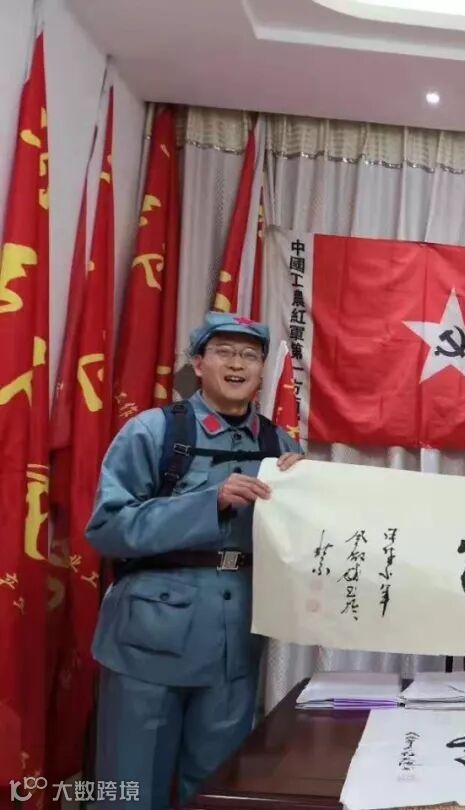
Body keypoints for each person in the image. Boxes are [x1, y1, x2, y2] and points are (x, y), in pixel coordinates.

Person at [87, 313, 304, 809]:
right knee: (130, 790)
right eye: (224, 352)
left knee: (217, 791)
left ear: (262, 370)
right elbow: (107, 528)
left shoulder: (279, 446)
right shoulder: (154, 431)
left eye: (250, 355)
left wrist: (308, 487)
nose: (237, 364)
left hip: (235, 645)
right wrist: (209, 502)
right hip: (147, 643)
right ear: (199, 363)